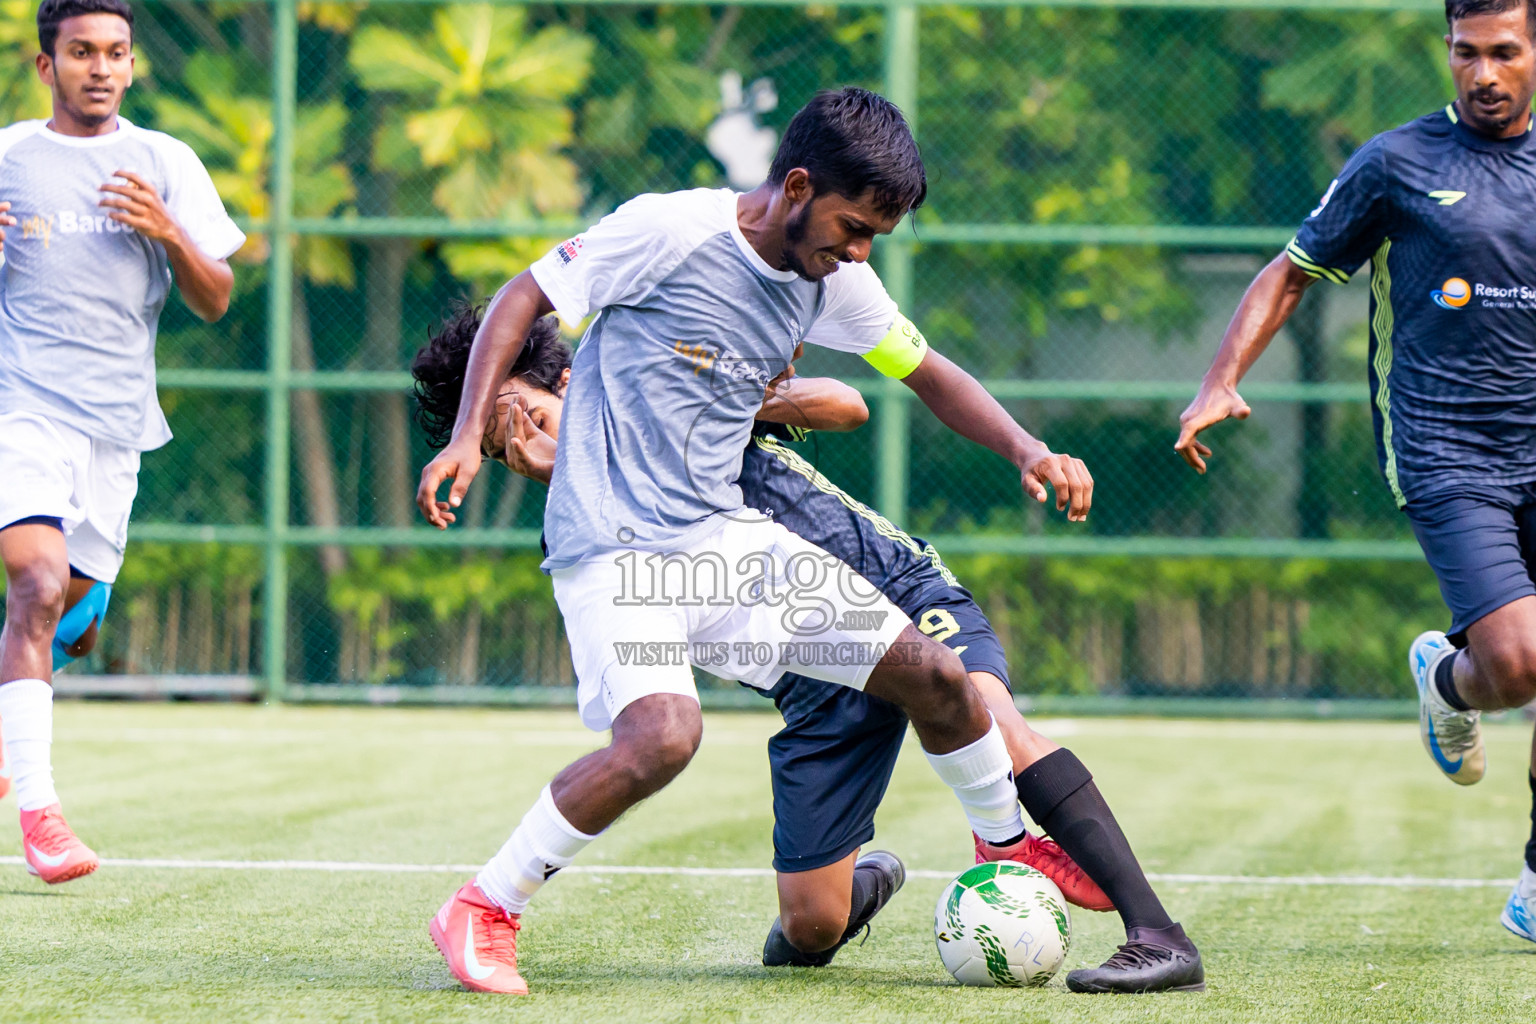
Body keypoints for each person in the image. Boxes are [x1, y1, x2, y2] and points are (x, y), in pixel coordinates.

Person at [413, 88, 1111, 996]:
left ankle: (1008, 847)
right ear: (795, 186)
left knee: (935, 677)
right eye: (851, 226)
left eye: (874, 238)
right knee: (662, 737)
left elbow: (928, 373)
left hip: (724, 542)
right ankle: (484, 907)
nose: (858, 252)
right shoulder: (668, 230)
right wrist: (471, 434)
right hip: (614, 550)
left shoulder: (837, 282)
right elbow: (521, 297)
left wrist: (1026, 447)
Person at [411, 304, 1205, 994]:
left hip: (897, 590)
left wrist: (736, 395)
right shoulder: (596, 507)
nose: (523, 448)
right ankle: (861, 881)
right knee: (807, 933)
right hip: (817, 685)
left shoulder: (658, 381)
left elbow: (844, 401)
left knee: (980, 704)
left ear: (563, 380)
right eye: (502, 448)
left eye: (525, 421)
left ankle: (1156, 934)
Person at [1174, 0, 1536, 946]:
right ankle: (1451, 683)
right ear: (1447, 54)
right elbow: (1291, 271)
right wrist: (1220, 381)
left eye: (1505, 52)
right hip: (1446, 447)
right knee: (1519, 662)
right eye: (1467, 54)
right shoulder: (1396, 163)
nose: (1484, 74)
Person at [0, 0, 244, 884]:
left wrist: (168, 231)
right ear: (45, 66)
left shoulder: (165, 162)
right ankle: (42, 818)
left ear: (132, 64)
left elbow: (216, 300)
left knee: (70, 614)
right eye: (78, 52)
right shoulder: (8, 158)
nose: (99, 68)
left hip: (118, 427)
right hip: (20, 409)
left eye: (114, 52)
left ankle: (22, 702)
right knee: (32, 582)